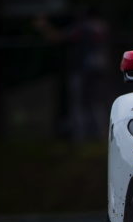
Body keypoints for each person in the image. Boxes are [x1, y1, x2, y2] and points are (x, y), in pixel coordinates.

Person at [35, 7, 110, 141]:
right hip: (97, 69)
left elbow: (56, 38)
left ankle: (81, 137)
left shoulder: (81, 28)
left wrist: (44, 26)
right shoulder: (100, 27)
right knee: (96, 103)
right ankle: (100, 136)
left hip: (82, 70)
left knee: (80, 104)